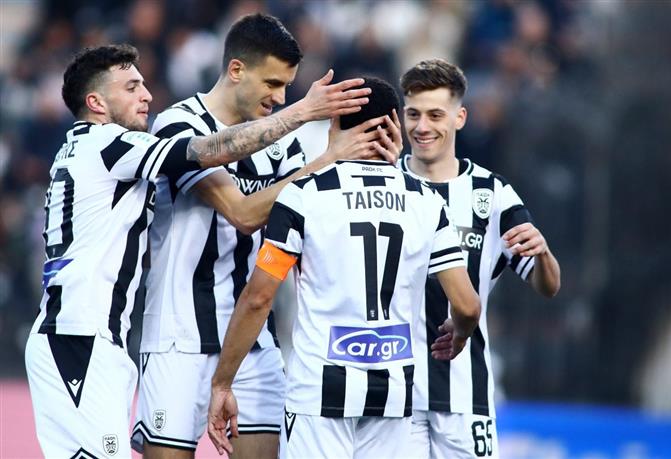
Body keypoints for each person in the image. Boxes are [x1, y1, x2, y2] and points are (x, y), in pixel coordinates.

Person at [23, 43, 377, 458]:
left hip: (97, 335)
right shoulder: (109, 143)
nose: (147, 95)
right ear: (96, 103)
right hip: (83, 335)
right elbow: (210, 156)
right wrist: (303, 114)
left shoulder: (84, 148)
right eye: (131, 87)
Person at [131, 13, 399, 459]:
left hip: (253, 341)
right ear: (236, 69)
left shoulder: (284, 144)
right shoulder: (178, 126)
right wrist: (321, 150)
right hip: (180, 338)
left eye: (288, 87)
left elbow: (312, 220)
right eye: (273, 83)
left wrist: (382, 167)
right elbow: (242, 212)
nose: (280, 97)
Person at [206, 77, 482, 459]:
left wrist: (223, 383)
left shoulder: (304, 195)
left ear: (334, 125)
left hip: (320, 392)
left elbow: (259, 298)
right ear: (395, 127)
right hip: (393, 393)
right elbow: (467, 305)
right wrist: (460, 332)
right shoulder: (427, 201)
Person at [398, 58, 561, 458]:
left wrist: (542, 253)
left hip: (464, 395)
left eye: (435, 115)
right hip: (393, 395)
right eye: (413, 114)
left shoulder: (493, 194)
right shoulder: (384, 184)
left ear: (460, 118)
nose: (422, 126)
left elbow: (548, 286)